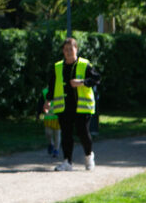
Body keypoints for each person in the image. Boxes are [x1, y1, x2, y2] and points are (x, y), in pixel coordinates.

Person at [43, 37, 101, 172]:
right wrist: (47, 101)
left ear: (76, 49)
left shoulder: (84, 64)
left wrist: (81, 82)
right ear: (63, 51)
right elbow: (52, 86)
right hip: (64, 107)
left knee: (83, 133)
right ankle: (67, 161)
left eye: (71, 49)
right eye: (66, 49)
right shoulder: (58, 67)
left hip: (81, 107)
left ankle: (88, 157)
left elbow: (96, 79)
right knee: (66, 134)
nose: (68, 52)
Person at [40, 86, 61, 159]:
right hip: (48, 117)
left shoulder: (60, 90)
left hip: (57, 117)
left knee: (57, 134)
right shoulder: (45, 91)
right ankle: (50, 144)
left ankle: (56, 150)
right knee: (48, 133)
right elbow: (41, 102)